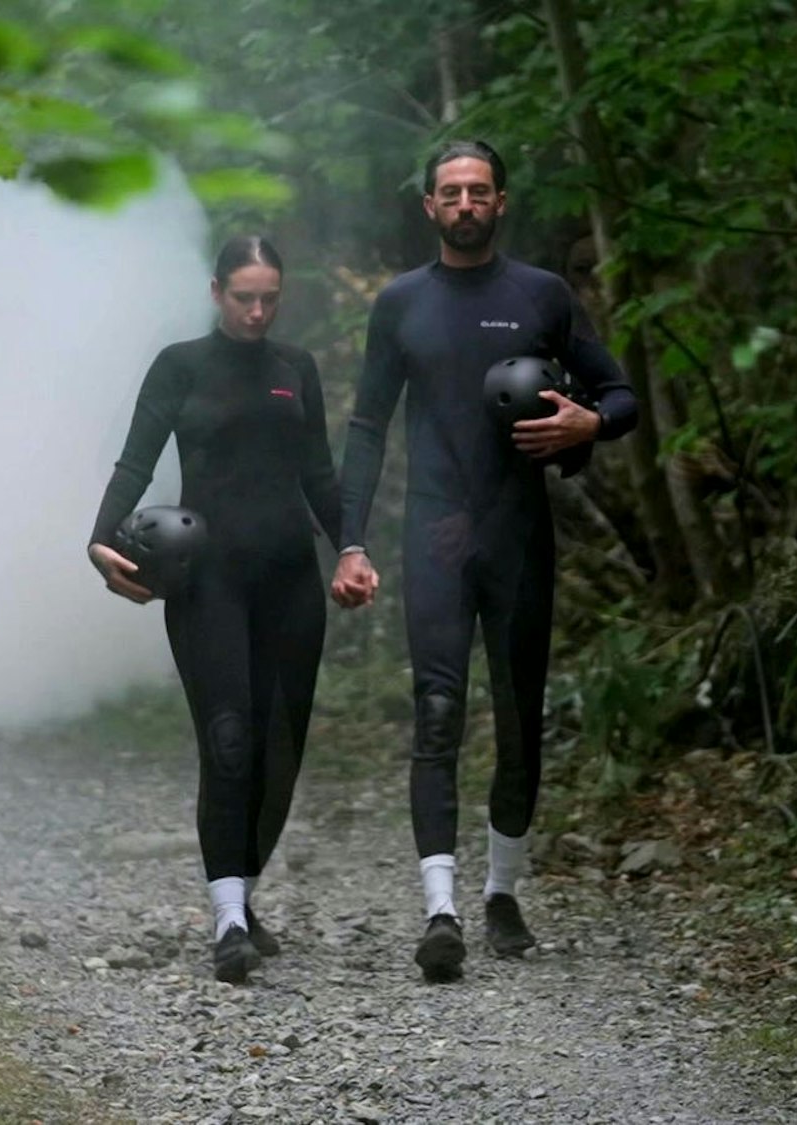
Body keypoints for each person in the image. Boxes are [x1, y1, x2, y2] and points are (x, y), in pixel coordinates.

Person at [332, 140, 640, 982]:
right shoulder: (400, 304)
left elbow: (621, 396)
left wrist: (587, 426)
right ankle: (441, 908)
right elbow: (365, 427)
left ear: (500, 202)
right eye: (449, 192)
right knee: (436, 715)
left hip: (517, 537)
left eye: (479, 191)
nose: (465, 204)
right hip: (434, 538)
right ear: (428, 207)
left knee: (517, 718)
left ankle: (503, 889)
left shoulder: (540, 294)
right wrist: (350, 538)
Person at [87, 235, 342, 984]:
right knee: (227, 739)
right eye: (244, 297)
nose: (258, 310)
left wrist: (352, 546)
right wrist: (99, 541)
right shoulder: (180, 366)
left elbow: (319, 472)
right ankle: (226, 917)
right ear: (216, 291)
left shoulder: (296, 368)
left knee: (278, 747)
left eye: (270, 297)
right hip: (209, 580)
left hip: (291, 578)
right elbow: (136, 460)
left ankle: (247, 892)